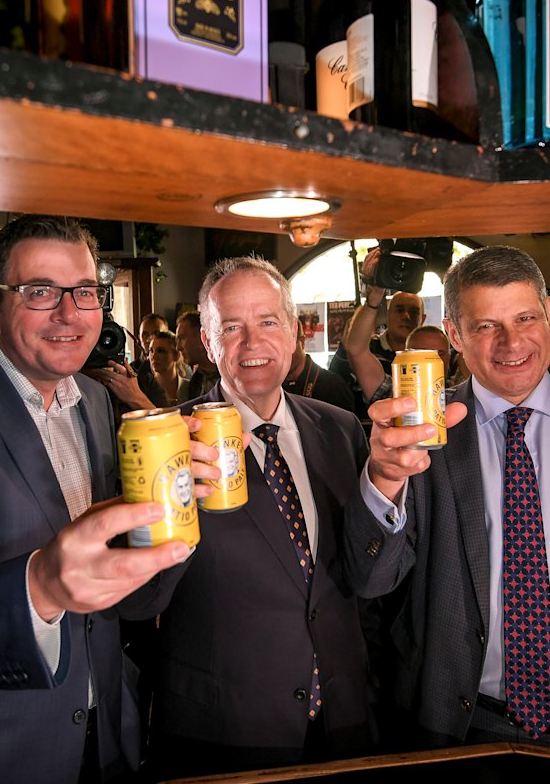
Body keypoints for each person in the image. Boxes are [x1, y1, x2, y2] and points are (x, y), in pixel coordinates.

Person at [0, 214, 224, 784]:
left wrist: (175, 519)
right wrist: (39, 589)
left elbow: (121, 597)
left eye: (86, 292)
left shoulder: (94, 400)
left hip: (108, 728)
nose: (70, 314)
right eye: (40, 291)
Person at [148, 256, 379, 779]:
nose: (252, 344)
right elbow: (143, 602)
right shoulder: (167, 442)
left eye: (268, 322)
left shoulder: (342, 429)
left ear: (295, 333)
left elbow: (361, 581)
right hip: (225, 731)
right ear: (208, 344)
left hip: (344, 723)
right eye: (231, 327)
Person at [342, 244, 550, 752]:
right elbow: (369, 579)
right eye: (486, 326)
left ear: (548, 315)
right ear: (455, 336)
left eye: (525, 317)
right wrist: (383, 480)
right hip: (460, 730)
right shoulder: (417, 434)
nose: (511, 342)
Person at [356, 247, 426, 376]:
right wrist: (375, 293)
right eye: (399, 310)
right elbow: (353, 350)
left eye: (414, 312)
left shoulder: (430, 351)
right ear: (388, 314)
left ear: (423, 318)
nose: (406, 316)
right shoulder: (369, 347)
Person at [282, 319, 355, 411]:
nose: (282, 353)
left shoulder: (333, 386)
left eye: (287, 345)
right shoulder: (269, 386)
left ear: (303, 342)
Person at [175, 309, 220, 398]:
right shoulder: (196, 381)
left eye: (182, 338)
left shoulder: (229, 374)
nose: (178, 347)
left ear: (201, 338)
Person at [148, 330, 190, 406]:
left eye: (161, 351)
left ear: (176, 355)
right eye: (151, 351)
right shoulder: (145, 389)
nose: (153, 356)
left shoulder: (190, 388)